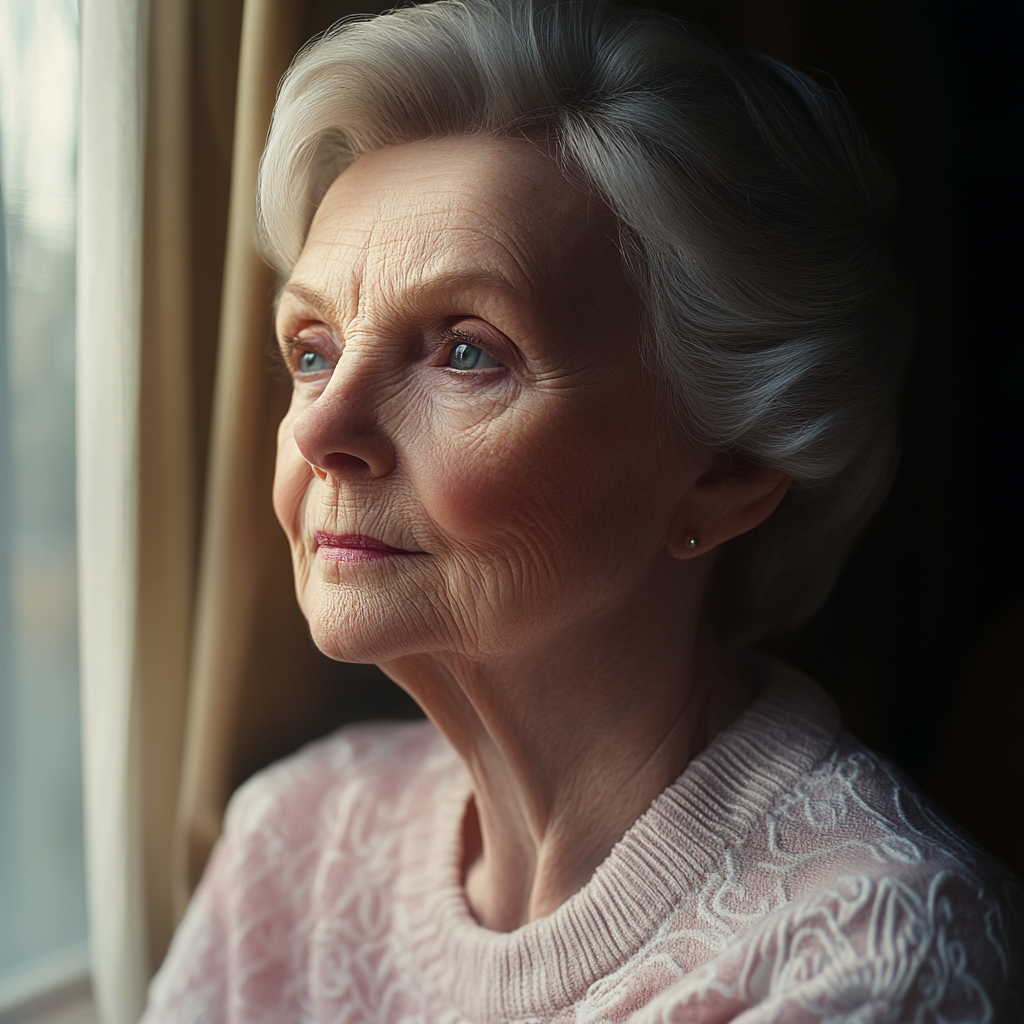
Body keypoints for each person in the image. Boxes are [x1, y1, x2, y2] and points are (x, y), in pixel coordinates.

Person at [142, 1, 1023, 1020]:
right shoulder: (291, 841)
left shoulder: (874, 945)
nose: (320, 428)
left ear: (728, 467)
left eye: (466, 351)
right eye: (313, 350)